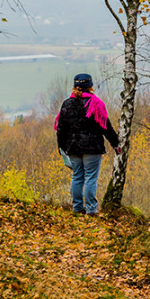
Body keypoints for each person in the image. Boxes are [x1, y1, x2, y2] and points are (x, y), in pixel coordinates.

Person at [55, 73, 121, 215]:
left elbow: (61, 129)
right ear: (90, 87)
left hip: (73, 147)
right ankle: (91, 209)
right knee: (91, 177)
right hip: (92, 147)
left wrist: (61, 147)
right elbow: (105, 127)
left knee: (77, 176)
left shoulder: (67, 104)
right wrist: (115, 144)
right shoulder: (96, 103)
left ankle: (77, 208)